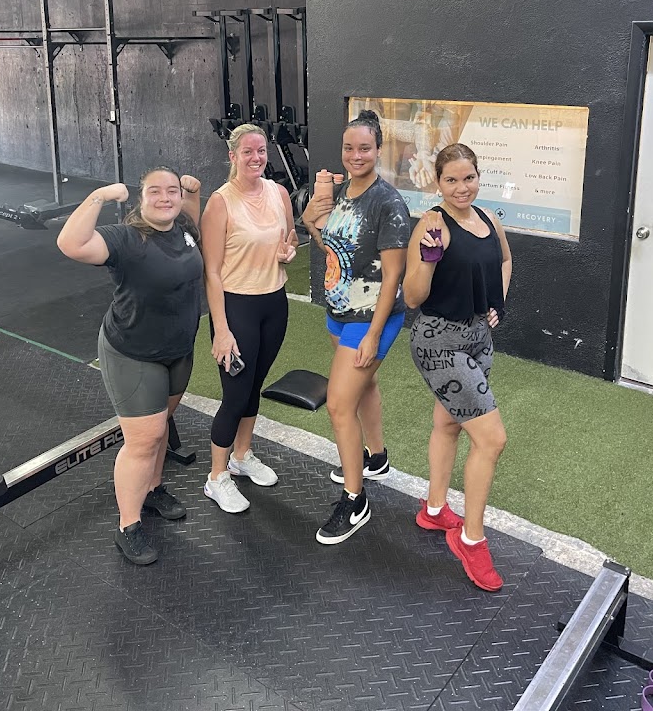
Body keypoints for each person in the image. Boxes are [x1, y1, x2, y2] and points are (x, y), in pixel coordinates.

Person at [56, 167, 203, 566]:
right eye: (155, 191)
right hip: (132, 352)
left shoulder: (184, 228)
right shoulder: (127, 238)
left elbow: (192, 227)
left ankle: (152, 490)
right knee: (144, 438)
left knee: (160, 426)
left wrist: (194, 193)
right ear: (141, 198)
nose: (164, 197)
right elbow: (71, 243)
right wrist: (100, 196)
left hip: (178, 350)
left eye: (171, 191)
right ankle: (128, 526)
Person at [403, 143, 512, 592]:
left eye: (469, 178)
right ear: (438, 182)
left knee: (448, 424)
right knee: (492, 439)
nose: (461, 188)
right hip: (440, 341)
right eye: (451, 180)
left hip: (478, 337)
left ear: (478, 176)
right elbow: (412, 297)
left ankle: (433, 511)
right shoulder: (432, 224)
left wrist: (496, 303)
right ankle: (471, 539)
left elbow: (504, 260)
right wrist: (429, 260)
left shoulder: (488, 219)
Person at [302, 110, 411, 545]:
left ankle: (355, 499)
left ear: (378, 150)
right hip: (339, 311)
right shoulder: (340, 193)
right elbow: (331, 247)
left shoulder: (388, 203)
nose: (356, 155)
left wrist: (373, 334)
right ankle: (376, 458)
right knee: (364, 386)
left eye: (364, 148)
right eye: (349, 148)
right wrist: (310, 221)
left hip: (370, 318)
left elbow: (394, 275)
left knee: (338, 405)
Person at [200, 123, 298, 513]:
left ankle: (241, 456)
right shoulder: (220, 203)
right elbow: (211, 272)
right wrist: (221, 330)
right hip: (236, 307)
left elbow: (290, 239)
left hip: (274, 303)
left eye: (261, 151)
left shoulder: (279, 193)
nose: (256, 158)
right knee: (235, 394)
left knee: (254, 385)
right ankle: (216, 477)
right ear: (233, 156)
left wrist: (288, 252)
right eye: (248, 152)